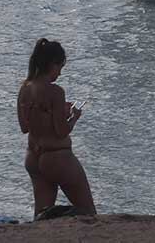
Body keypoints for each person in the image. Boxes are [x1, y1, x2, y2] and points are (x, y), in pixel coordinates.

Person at [17, 38, 96, 218]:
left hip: (33, 157)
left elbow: (24, 126)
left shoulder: (25, 88)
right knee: (88, 213)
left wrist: (54, 113)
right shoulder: (55, 92)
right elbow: (61, 131)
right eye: (60, 67)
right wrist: (73, 117)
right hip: (57, 157)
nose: (59, 73)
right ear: (52, 64)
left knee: (41, 217)